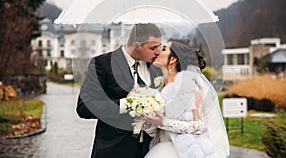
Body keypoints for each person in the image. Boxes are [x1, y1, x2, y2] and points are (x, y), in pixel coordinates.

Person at [76, 23, 162, 158]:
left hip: (150, 150)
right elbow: (84, 107)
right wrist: (125, 104)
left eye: (159, 47)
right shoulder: (103, 64)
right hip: (114, 150)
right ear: (137, 45)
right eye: (153, 48)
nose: (158, 52)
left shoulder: (156, 68)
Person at [143, 38, 230, 158]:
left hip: (184, 151)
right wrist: (147, 124)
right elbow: (158, 130)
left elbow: (201, 125)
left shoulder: (187, 85)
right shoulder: (159, 88)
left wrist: (165, 123)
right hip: (160, 148)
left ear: (173, 59)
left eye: (164, 49)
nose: (158, 52)